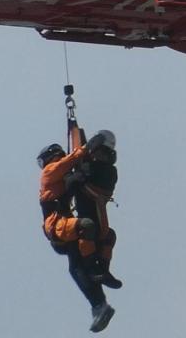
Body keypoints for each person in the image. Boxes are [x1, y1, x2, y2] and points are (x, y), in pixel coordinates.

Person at [38, 129, 115, 332]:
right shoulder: (50, 172)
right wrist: (86, 148)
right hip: (57, 225)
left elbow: (77, 176)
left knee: (78, 261)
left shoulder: (64, 178)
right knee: (86, 226)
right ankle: (93, 270)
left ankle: (99, 302)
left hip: (66, 225)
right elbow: (71, 161)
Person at [73, 130, 123, 290]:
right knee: (90, 228)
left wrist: (80, 176)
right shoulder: (92, 166)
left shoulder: (106, 170)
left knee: (108, 235)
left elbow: (95, 186)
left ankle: (102, 270)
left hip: (96, 216)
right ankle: (92, 269)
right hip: (85, 219)